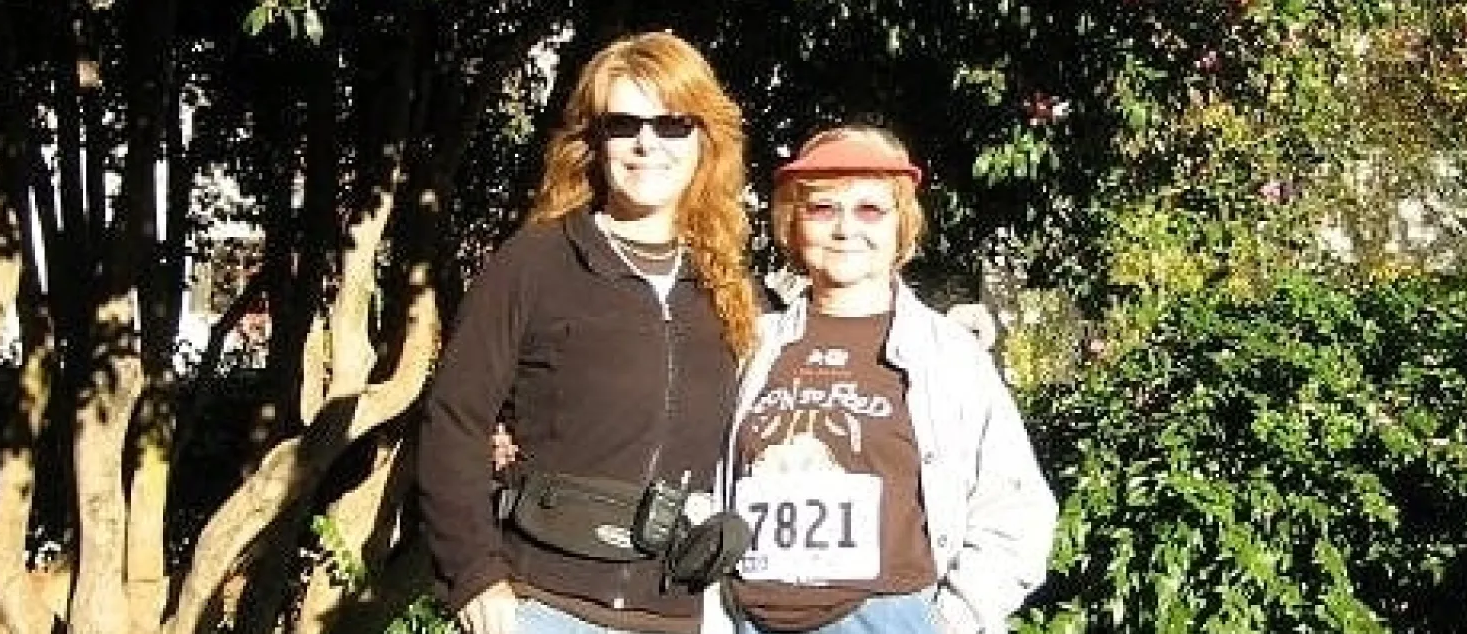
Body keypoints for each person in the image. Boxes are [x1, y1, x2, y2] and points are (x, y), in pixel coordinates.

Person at [416, 31, 760, 634]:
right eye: (623, 125)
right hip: (543, 607)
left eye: (672, 124)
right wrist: (473, 573)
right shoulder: (534, 263)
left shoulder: (728, 287)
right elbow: (454, 421)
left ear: (704, 140)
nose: (647, 143)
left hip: (675, 616)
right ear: (594, 142)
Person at [716, 125, 1057, 634]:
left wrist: (947, 622)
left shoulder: (950, 355)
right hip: (749, 621)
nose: (845, 228)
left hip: (888, 620)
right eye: (822, 208)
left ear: (902, 225)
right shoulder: (751, 344)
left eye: (870, 209)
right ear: (793, 222)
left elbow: (1015, 506)